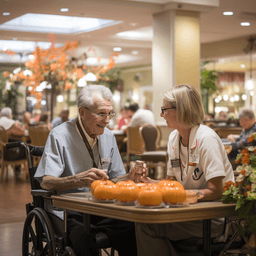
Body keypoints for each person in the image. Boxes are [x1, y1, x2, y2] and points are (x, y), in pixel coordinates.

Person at [34, 85, 146, 256]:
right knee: (84, 238)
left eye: (110, 113)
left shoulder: (108, 136)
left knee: (133, 228)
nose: (107, 120)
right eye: (101, 113)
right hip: (68, 211)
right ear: (82, 112)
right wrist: (77, 180)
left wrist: (129, 176)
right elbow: (46, 181)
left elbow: (114, 179)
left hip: (100, 207)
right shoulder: (59, 135)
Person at [135, 84, 235, 256]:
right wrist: (152, 184)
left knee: (148, 225)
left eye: (164, 109)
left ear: (181, 110)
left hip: (212, 218)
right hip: (186, 212)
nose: (161, 115)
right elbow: (172, 182)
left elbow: (216, 191)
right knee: (140, 219)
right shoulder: (174, 137)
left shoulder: (207, 138)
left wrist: (182, 196)